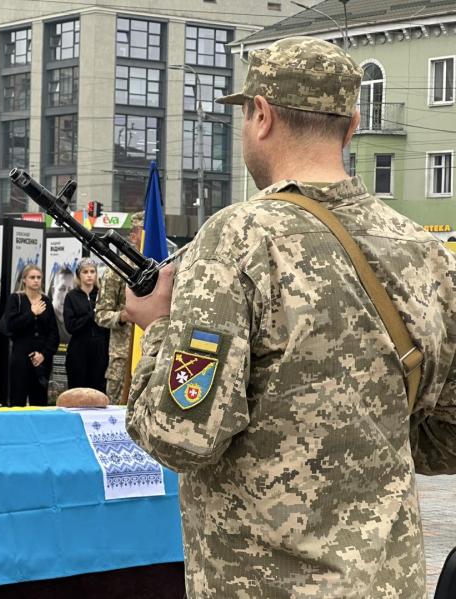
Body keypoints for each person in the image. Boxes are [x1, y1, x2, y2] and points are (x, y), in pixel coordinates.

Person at [124, 37, 456, 597]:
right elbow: (447, 436)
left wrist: (157, 327)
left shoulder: (236, 239)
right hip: (387, 580)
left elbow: (180, 436)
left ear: (261, 115)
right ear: (352, 126)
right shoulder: (425, 252)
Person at [94, 211, 143, 404]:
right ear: (133, 236)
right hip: (124, 356)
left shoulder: (161, 269)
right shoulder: (117, 269)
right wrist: (123, 316)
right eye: (142, 233)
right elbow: (100, 314)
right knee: (117, 412)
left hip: (152, 353)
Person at [3, 265, 59, 407]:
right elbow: (10, 326)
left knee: (39, 401)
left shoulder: (46, 301)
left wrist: (44, 355)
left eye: (38, 277)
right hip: (20, 357)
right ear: (24, 280)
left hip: (41, 359)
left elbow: (53, 333)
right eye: (32, 277)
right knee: (17, 400)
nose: (36, 281)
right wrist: (31, 313)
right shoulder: (16, 299)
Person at [63, 259, 108, 392]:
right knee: (78, 390)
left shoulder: (103, 295)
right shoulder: (71, 297)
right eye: (85, 272)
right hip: (78, 350)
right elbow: (70, 326)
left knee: (98, 390)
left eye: (92, 271)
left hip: (100, 349)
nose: (89, 275)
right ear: (79, 275)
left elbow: (107, 323)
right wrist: (91, 315)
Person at [48, 267, 74, 345]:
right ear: (53, 291)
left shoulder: (77, 319)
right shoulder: (43, 317)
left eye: (70, 290)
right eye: (62, 289)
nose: (66, 295)